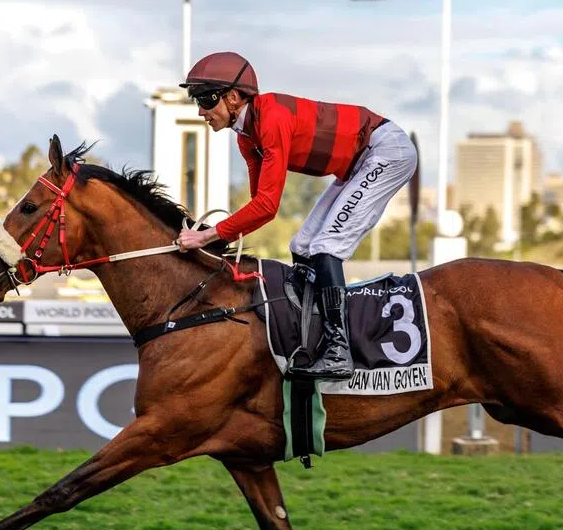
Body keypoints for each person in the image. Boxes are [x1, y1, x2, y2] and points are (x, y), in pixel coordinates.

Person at [174, 51, 418, 381]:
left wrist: (206, 236)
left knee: (326, 246)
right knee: (303, 245)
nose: (201, 110)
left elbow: (267, 207)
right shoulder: (247, 139)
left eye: (206, 99)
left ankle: (338, 350)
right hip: (354, 165)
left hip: (384, 151)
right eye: (196, 101)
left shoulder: (271, 118)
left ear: (233, 97)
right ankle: (310, 337)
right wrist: (215, 236)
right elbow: (259, 206)